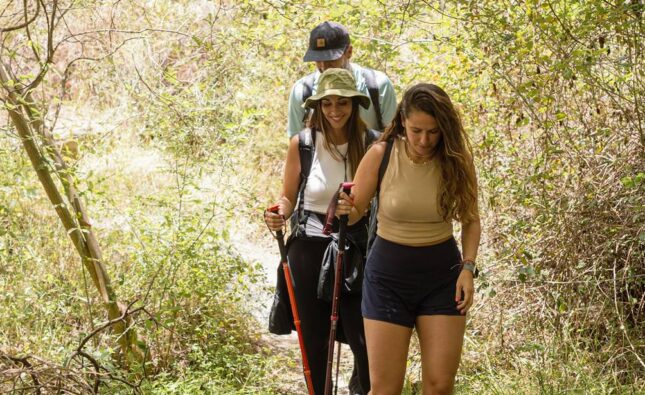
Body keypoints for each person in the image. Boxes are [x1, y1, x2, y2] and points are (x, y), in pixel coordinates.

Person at [336, 83, 481, 394]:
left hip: (442, 277)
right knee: (385, 389)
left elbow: (470, 220)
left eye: (433, 132)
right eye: (416, 130)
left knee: (440, 385)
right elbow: (356, 212)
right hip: (388, 276)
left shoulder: (456, 160)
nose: (424, 140)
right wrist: (345, 208)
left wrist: (468, 268)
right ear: (402, 121)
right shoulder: (381, 155)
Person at [266, 68, 375, 394]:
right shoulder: (303, 144)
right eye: (327, 104)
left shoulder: (372, 144)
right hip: (309, 248)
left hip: (357, 249)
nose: (335, 110)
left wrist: (357, 209)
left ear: (355, 104)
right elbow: (288, 196)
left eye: (342, 103)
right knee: (314, 340)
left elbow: (381, 200)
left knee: (365, 336)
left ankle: (363, 388)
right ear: (318, 106)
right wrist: (278, 214)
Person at [287, 21, 397, 137]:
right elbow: (296, 140)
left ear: (349, 52)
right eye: (318, 59)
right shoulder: (302, 90)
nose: (324, 66)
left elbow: (392, 137)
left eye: (330, 59)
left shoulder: (378, 85)